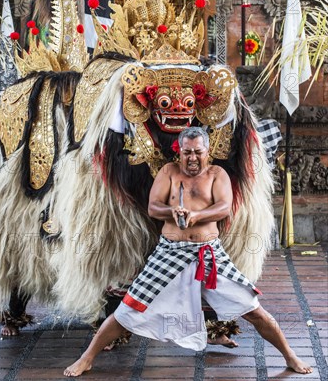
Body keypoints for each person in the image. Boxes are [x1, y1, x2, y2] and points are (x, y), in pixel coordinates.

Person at [63, 127, 313, 376]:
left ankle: (290, 355)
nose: (192, 158)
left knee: (253, 309)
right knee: (128, 308)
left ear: (208, 152)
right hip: (170, 252)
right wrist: (171, 212)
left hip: (209, 253)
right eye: (187, 153)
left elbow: (224, 207)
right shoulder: (168, 173)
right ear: (178, 153)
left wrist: (196, 216)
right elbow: (153, 206)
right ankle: (86, 358)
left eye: (198, 152)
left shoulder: (217, 175)